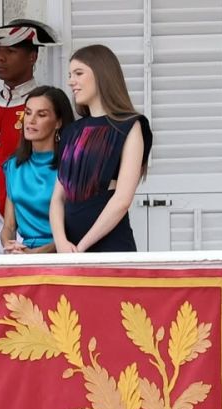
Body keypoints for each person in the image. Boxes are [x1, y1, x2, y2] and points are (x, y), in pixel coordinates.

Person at [50, 44, 152, 253]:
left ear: (101, 75)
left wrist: (81, 247)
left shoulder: (131, 126)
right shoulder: (70, 132)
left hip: (109, 247)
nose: (71, 81)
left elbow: (122, 199)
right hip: (69, 250)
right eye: (70, 74)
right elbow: (58, 198)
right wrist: (61, 242)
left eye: (78, 73)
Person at [0, 19, 57, 254]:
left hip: (32, 224)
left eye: (10, 51)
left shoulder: (46, 107)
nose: (0, 57)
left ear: (32, 57)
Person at [0, 86, 74, 254]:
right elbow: (9, 226)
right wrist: (9, 245)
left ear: (58, 122)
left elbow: (74, 229)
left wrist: (36, 254)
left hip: (60, 257)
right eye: (27, 112)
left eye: (41, 115)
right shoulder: (13, 166)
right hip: (22, 256)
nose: (31, 120)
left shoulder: (70, 166)